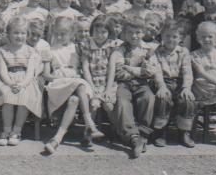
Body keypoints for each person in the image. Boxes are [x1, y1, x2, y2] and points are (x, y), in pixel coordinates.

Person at [43, 17, 104, 154]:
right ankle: (89, 123)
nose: (59, 36)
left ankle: (56, 139)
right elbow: (46, 75)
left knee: (74, 99)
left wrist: (74, 76)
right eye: (57, 33)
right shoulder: (50, 49)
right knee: (80, 84)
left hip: (75, 82)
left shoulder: (77, 48)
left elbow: (84, 67)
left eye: (63, 34)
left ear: (71, 34)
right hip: (58, 84)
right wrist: (60, 76)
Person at [109, 16, 165, 158]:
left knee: (148, 98)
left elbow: (151, 71)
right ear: (125, 34)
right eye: (130, 33)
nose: (134, 36)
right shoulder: (120, 49)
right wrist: (139, 71)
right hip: (124, 84)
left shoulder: (148, 49)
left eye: (137, 32)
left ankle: (143, 133)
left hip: (142, 84)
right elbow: (119, 72)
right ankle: (132, 136)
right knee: (122, 101)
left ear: (143, 32)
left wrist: (132, 68)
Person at [0, 17, 42, 146]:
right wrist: (10, 83)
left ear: (27, 34)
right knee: (7, 96)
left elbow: (31, 72)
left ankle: (16, 130)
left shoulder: (31, 51)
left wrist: (22, 84)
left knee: (24, 96)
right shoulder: (2, 51)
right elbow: (2, 71)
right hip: (7, 79)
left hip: (25, 80)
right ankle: (6, 130)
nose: (19, 36)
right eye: (16, 33)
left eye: (23, 33)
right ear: (8, 34)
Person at [152, 20, 196, 148]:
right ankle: (161, 132)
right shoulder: (157, 51)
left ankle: (184, 132)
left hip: (180, 82)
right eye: (167, 36)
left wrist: (187, 88)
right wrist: (161, 86)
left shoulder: (183, 52)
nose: (170, 39)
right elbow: (157, 70)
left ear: (180, 38)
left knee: (187, 100)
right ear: (162, 36)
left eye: (174, 36)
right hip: (163, 82)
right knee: (163, 98)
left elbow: (187, 71)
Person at [80, 15, 118, 130]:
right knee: (94, 104)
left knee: (108, 105)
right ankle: (89, 132)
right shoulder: (86, 44)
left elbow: (112, 68)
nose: (100, 35)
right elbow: (85, 68)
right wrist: (91, 87)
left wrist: (107, 89)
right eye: (97, 31)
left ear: (109, 33)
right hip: (91, 82)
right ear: (92, 30)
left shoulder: (112, 46)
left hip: (107, 83)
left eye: (104, 32)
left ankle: (118, 129)